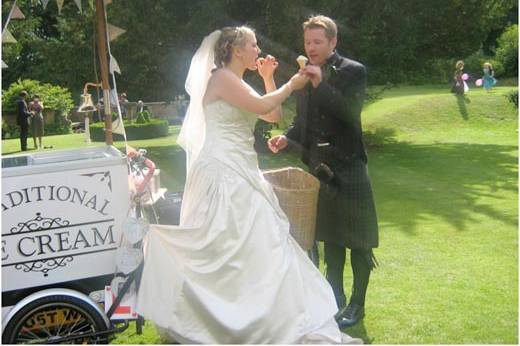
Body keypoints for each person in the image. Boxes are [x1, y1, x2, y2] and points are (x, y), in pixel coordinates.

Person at [136, 26, 362, 344]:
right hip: (222, 171)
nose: (258, 50)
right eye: (253, 45)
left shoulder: (237, 81)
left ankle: (256, 313)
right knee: (223, 243)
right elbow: (260, 107)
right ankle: (221, 315)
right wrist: (293, 83)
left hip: (242, 167)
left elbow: (272, 116)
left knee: (254, 241)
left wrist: (269, 78)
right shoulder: (221, 78)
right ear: (236, 50)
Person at [268, 15, 379, 328]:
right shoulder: (304, 76)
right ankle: (334, 300)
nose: (312, 47)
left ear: (333, 42)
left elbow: (349, 113)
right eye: (308, 42)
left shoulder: (353, 71)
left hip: (350, 167)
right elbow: (303, 121)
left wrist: (321, 82)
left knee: (359, 240)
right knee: (331, 241)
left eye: (318, 41)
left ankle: (357, 304)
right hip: (320, 168)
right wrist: (287, 138)